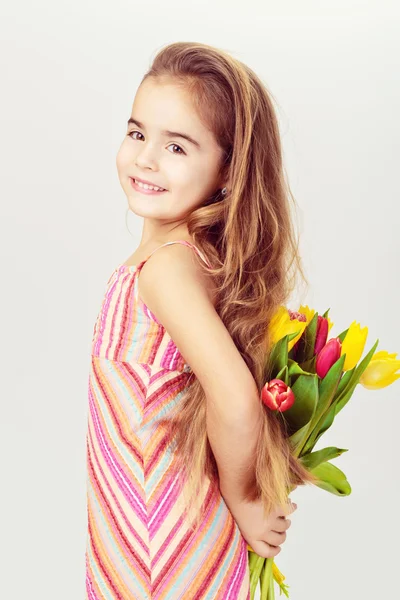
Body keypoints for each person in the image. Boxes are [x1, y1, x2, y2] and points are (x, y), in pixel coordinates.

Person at [85, 41, 313, 600]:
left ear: (229, 169)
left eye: (177, 147)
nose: (145, 159)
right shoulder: (195, 259)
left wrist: (245, 499)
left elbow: (234, 395)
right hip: (166, 532)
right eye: (138, 133)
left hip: (157, 545)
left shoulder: (166, 271)